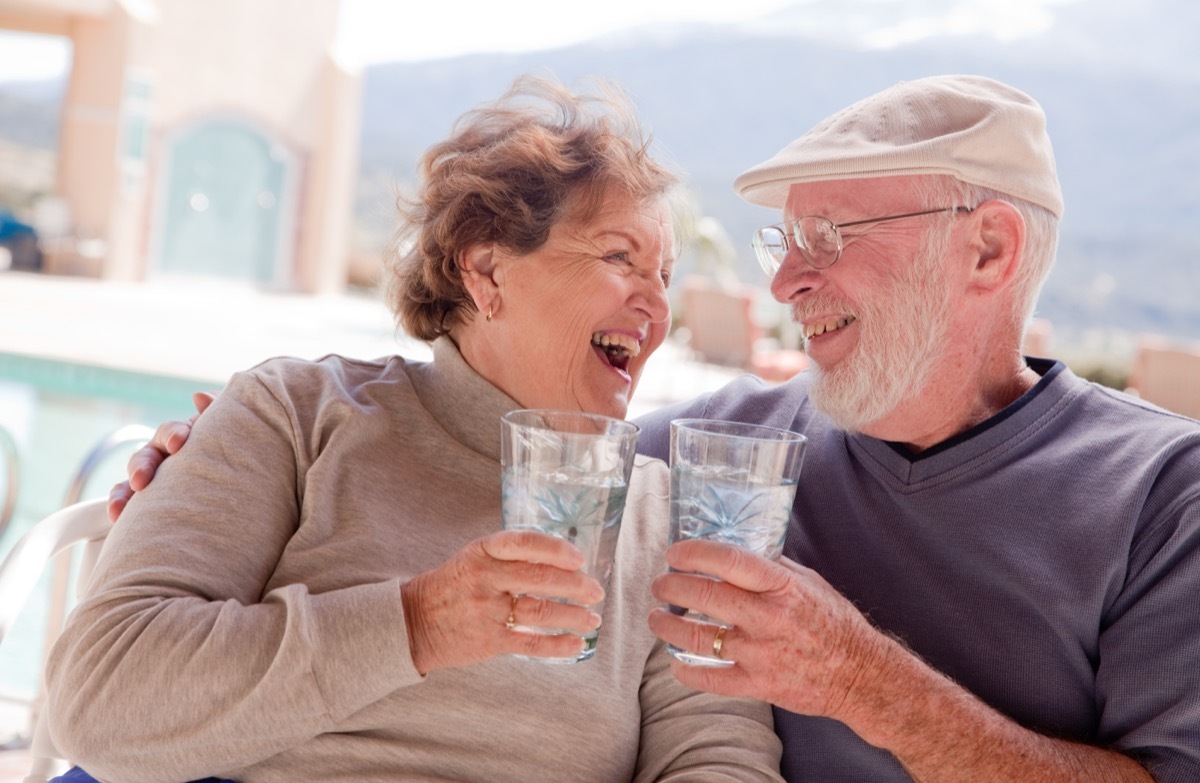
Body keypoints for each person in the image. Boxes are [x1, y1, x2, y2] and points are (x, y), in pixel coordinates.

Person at [109, 75, 1200, 782]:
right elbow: (489, 425)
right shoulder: (697, 456)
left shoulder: (1161, 492)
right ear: (482, 268)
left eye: (829, 230)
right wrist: (209, 461)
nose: (784, 277)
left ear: (990, 251)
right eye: (783, 235)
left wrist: (862, 679)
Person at [45, 76, 783, 783]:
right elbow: (102, 696)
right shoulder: (296, 413)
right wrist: (416, 624)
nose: (657, 305)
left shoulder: (665, 512)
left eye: (664, 274)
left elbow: (720, 755)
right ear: (486, 270)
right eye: (620, 257)